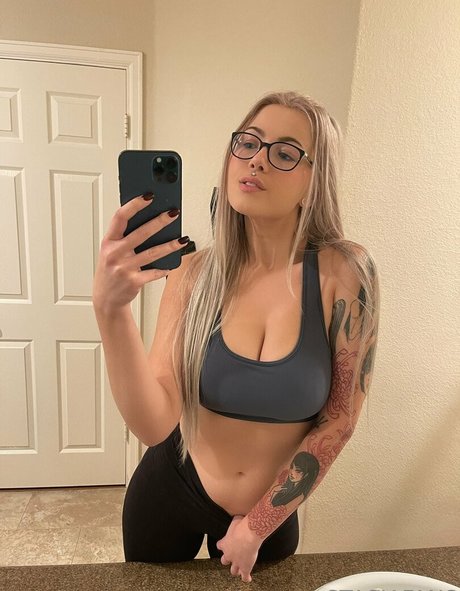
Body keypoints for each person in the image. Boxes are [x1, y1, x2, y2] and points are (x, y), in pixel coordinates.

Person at [92, 91, 380, 583]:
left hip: (271, 516)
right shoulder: (193, 272)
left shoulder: (345, 274)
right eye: (248, 143)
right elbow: (155, 425)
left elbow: (340, 419)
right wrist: (111, 312)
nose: (256, 160)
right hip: (169, 490)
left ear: (315, 182)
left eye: (285, 152)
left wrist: (256, 526)